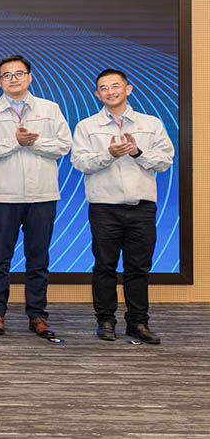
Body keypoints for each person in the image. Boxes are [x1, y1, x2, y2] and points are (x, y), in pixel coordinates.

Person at [71, 68, 174, 344]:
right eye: (103, 88)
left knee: (138, 267)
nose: (110, 92)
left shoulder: (151, 123)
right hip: (104, 207)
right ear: (97, 94)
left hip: (142, 207)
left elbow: (165, 161)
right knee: (104, 266)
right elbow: (80, 163)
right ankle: (105, 320)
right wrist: (109, 154)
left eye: (115, 86)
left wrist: (137, 152)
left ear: (128, 89)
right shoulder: (86, 126)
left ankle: (138, 322)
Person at [0, 54, 72, 338]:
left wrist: (34, 142)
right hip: (4, 196)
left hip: (42, 195)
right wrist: (15, 142)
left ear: (29, 77)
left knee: (38, 258)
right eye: (7, 75)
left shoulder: (50, 109)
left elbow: (64, 145)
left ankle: (38, 316)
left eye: (19, 74)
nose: (13, 79)